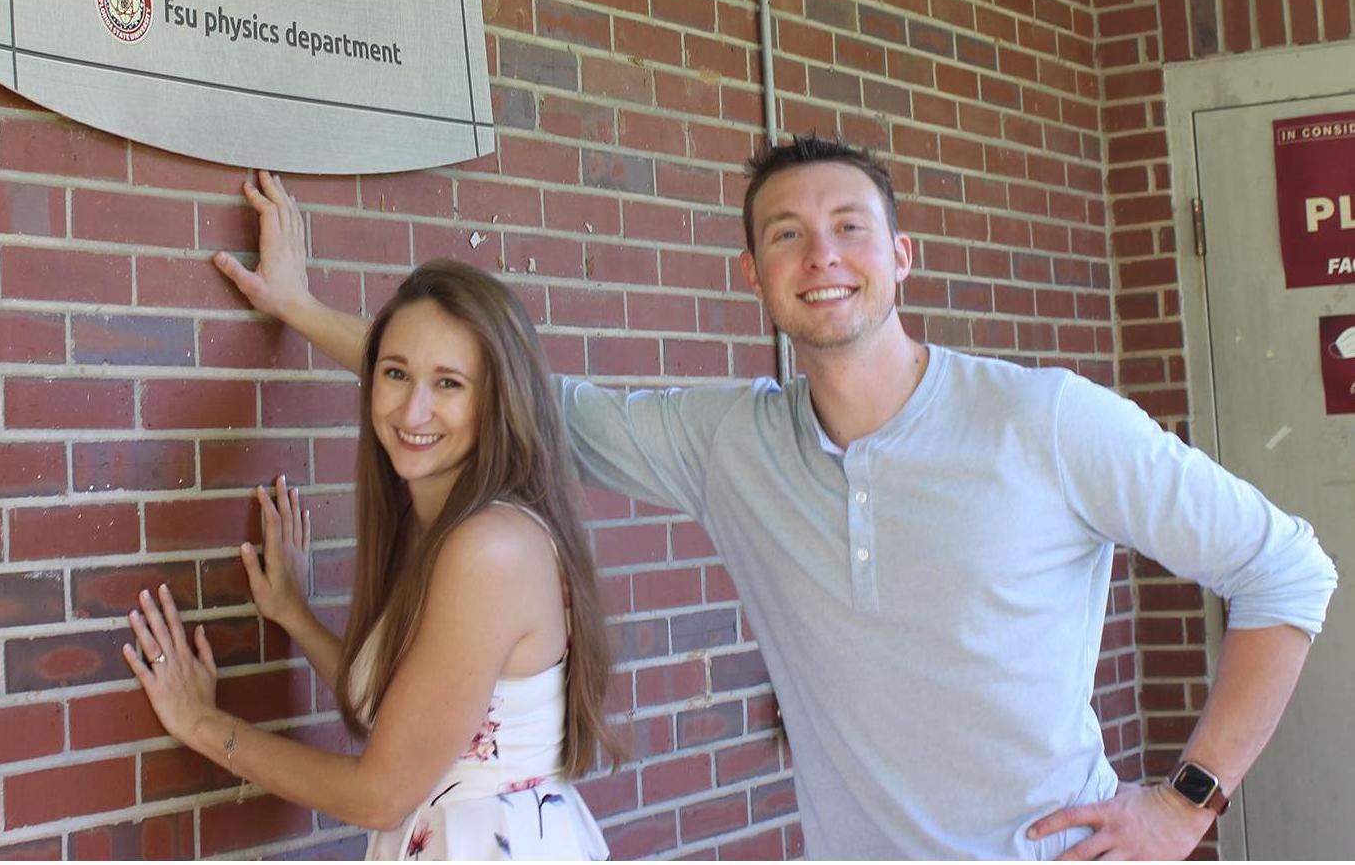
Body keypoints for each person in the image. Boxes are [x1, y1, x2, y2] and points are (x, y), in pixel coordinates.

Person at [214, 143, 1337, 861]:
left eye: (849, 226)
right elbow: (484, 386)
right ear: (751, 278)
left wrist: (1187, 801)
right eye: (785, 235)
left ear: (902, 254)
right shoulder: (730, 443)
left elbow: (1287, 570)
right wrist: (307, 310)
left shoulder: (1043, 421)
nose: (822, 255)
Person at [124, 259, 615, 861]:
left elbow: (380, 794)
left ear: (498, 399)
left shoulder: (490, 548)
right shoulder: (444, 529)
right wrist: (295, 615)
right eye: (396, 374)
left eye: (449, 384)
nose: (412, 412)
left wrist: (201, 723)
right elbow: (400, 710)